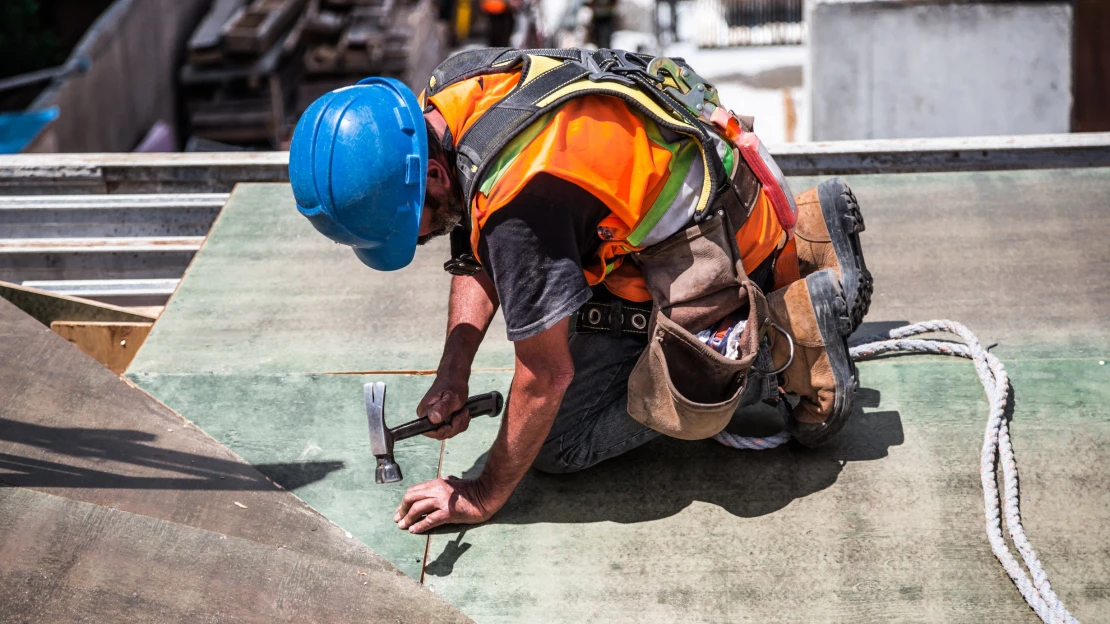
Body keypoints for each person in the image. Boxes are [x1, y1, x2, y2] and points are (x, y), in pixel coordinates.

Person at [288, 48, 872, 534]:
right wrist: (454, 371)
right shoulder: (454, 92)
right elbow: (474, 243)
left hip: (717, 255)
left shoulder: (522, 205)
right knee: (554, 313)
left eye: (406, 228)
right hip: (725, 195)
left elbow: (545, 376)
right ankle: (809, 237)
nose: (413, 243)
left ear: (433, 175)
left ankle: (783, 341)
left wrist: (483, 493)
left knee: (560, 443)